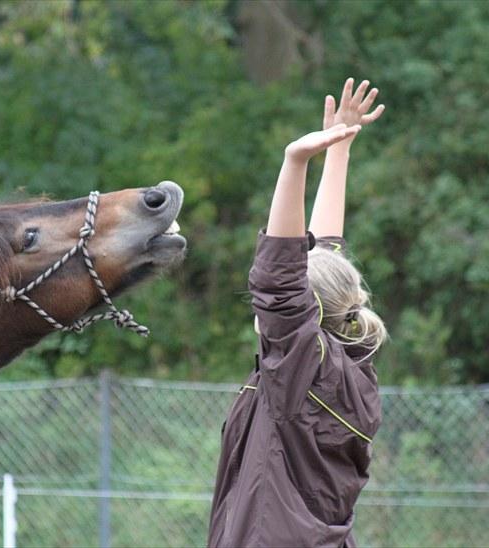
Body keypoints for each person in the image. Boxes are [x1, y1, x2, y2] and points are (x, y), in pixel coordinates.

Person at [208, 79, 387, 548]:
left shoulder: (299, 373)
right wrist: (339, 150)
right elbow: (323, 258)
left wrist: (295, 162)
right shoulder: (349, 361)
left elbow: (281, 282)